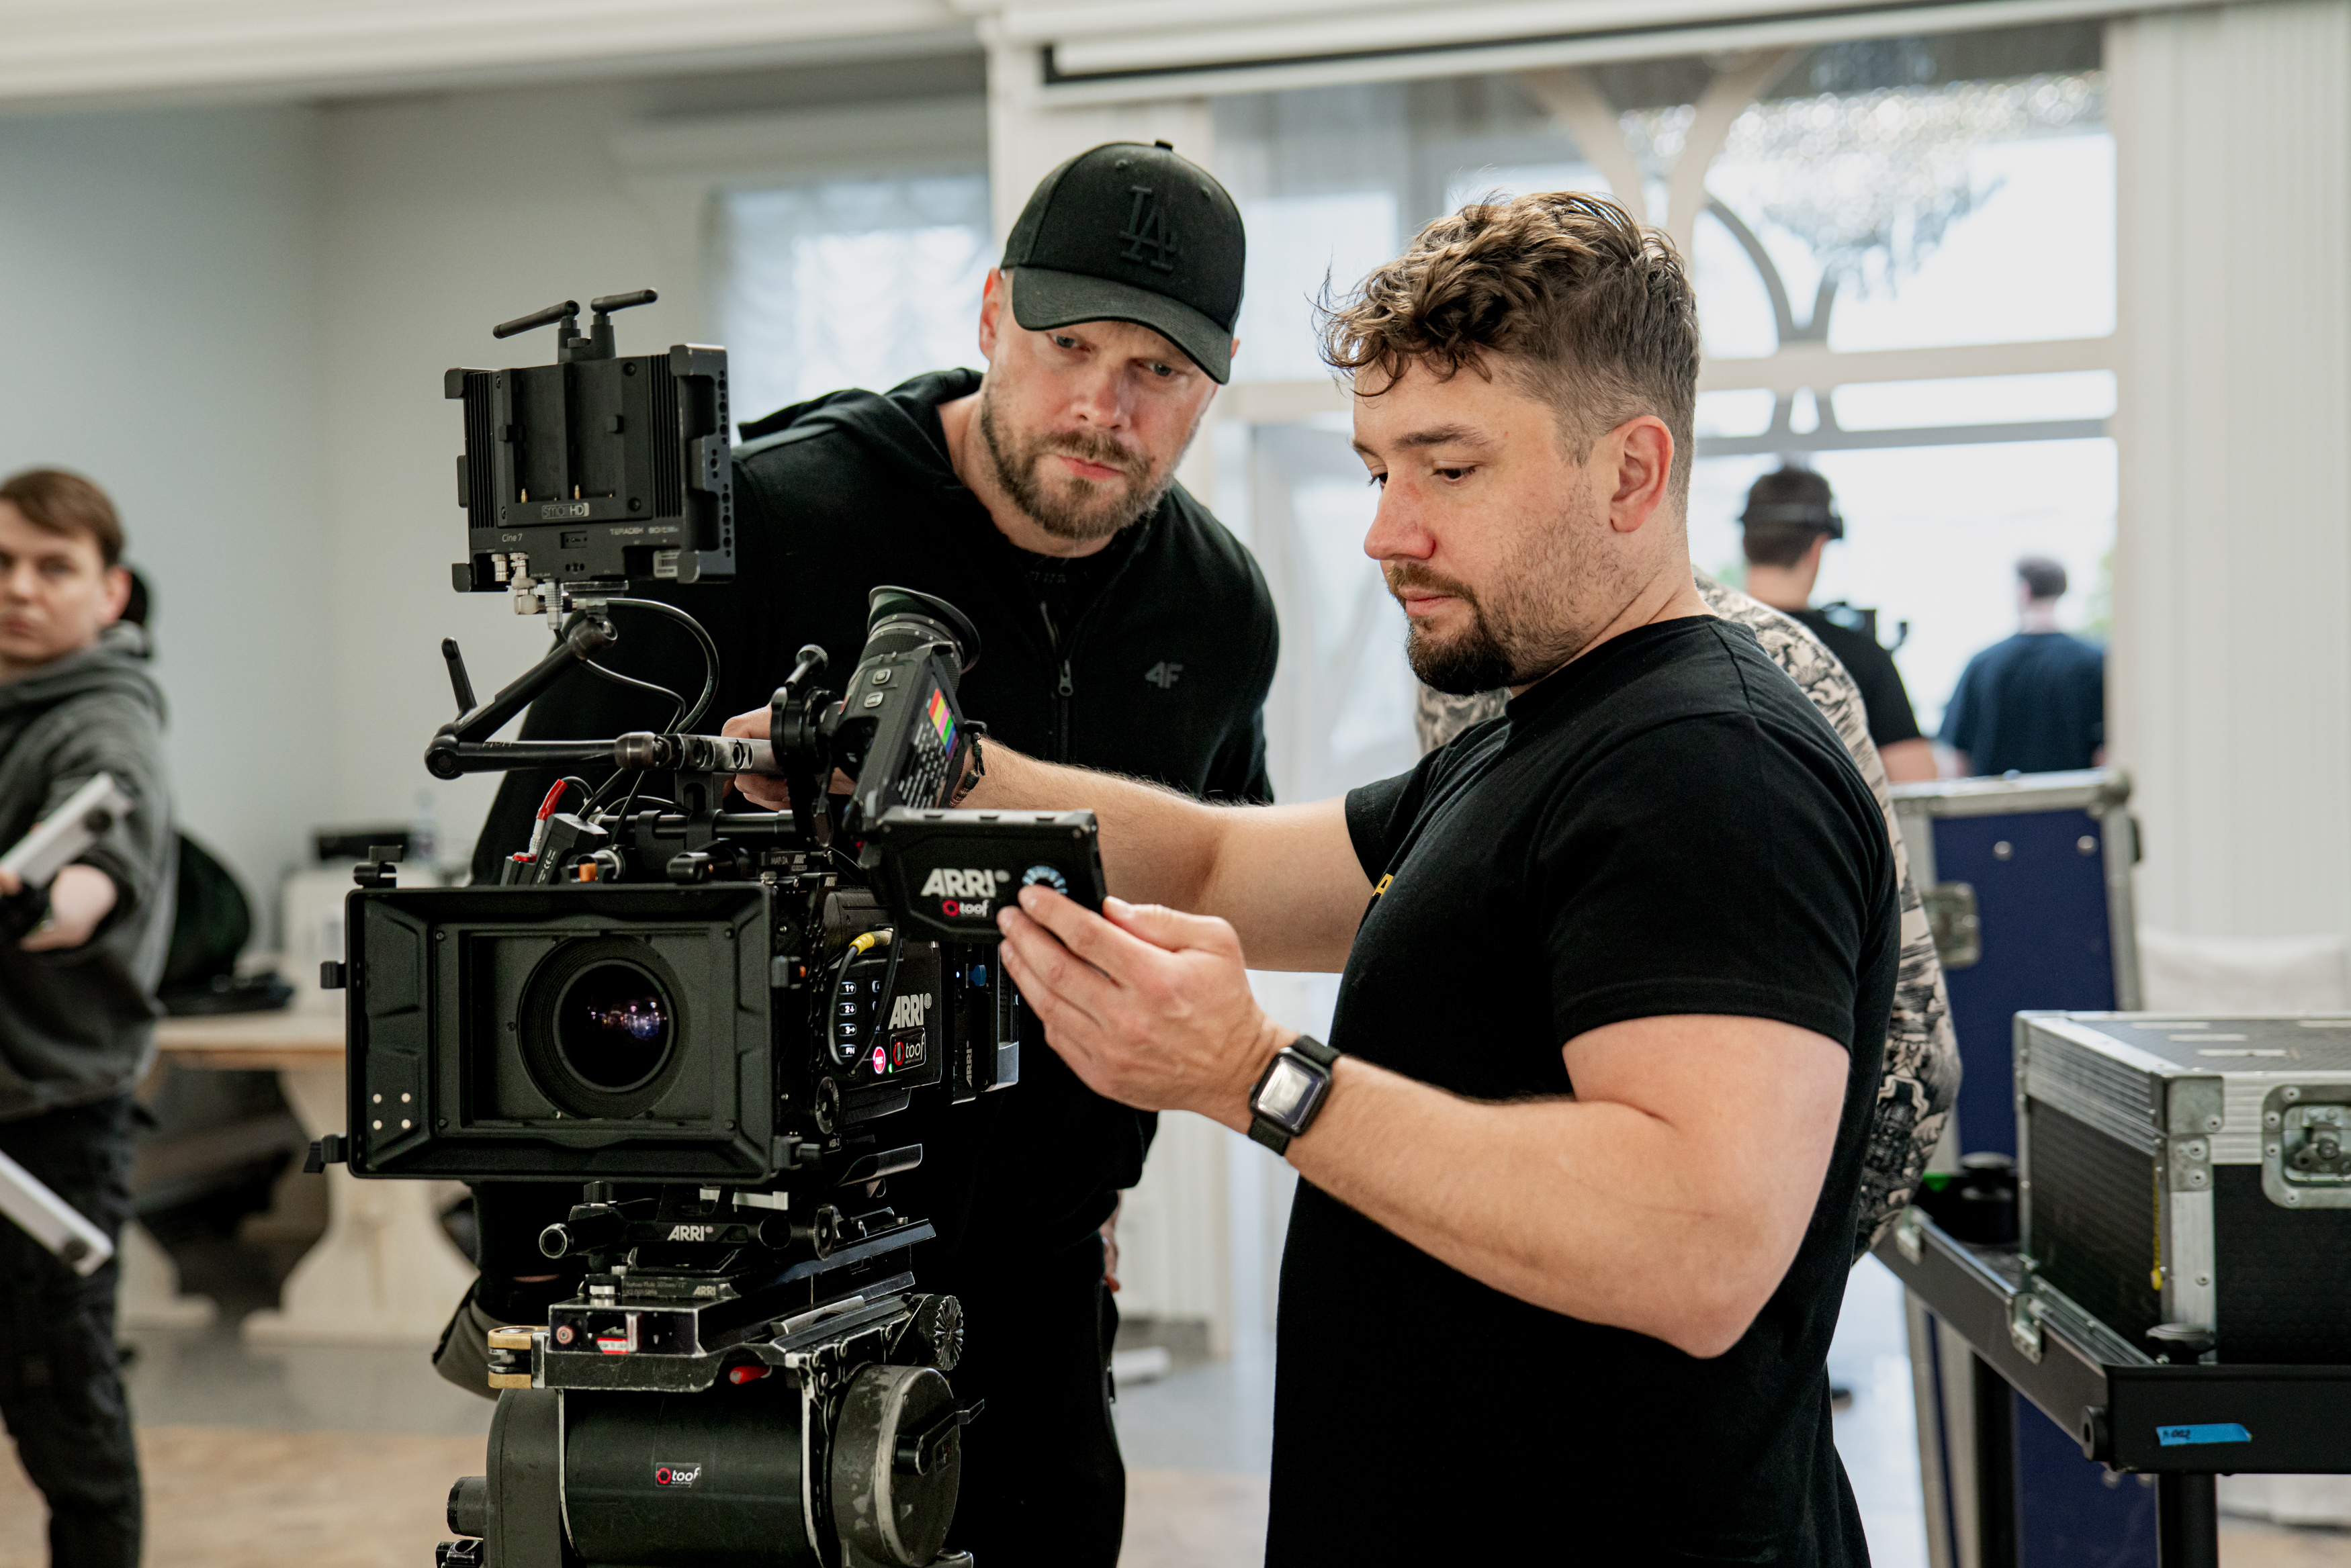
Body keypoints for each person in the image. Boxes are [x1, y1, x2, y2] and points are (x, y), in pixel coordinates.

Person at [744, 191, 1898, 1560]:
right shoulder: (1534, 736)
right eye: (1377, 472)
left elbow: (1697, 1244)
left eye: (1449, 471)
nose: (1387, 533)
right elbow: (1220, 859)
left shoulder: (1711, 769)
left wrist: (1251, 1073)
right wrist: (922, 769)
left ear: (1632, 477)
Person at [455, 140, 1275, 1562]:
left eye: (1158, 371)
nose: (1104, 406)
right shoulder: (759, 521)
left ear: (1215, 383)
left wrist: (1102, 1175)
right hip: (749, 1281)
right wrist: (533, 1263)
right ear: (990, 316)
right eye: (1068, 346)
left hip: (1031, 1281)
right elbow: (525, 898)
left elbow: (1197, 901)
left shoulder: (1216, 610)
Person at [1413, 567, 1959, 1259]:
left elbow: (1911, 1051)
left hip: (1673, 1249)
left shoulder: (1759, 674)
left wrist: (1782, 1284)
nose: (1390, 537)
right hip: (1520, 1216)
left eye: (1459, 488)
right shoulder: (1456, 651)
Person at [0, 468, 172, 1568]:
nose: (20, 588)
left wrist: (38, 902)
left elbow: (89, 879)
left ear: (109, 592)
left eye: (52, 567)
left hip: (48, 1125)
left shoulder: (106, 723)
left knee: (65, 1412)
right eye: (2, 563)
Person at [1737, 464, 1934, 782]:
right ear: (1818, 546)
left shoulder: (1700, 645)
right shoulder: (1861, 658)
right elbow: (1917, 781)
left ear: (1745, 543)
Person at [1941, 555, 2104, 776]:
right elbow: (2104, 755)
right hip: (2074, 797)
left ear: (2024, 590)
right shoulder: (2094, 661)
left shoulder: (1982, 665)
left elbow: (1957, 760)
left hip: (1996, 797)